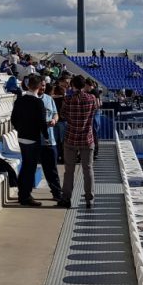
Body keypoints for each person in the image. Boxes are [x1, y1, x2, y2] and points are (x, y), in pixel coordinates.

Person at [10, 74, 50, 207]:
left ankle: (23, 194)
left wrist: (21, 128)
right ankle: (25, 196)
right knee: (30, 167)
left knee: (25, 166)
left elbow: (13, 119)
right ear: (38, 86)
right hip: (33, 138)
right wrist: (46, 136)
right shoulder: (38, 102)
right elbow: (42, 122)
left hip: (21, 137)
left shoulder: (19, 100)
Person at [60, 77, 100, 209]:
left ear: (72, 85)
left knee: (69, 171)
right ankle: (90, 200)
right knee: (88, 170)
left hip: (71, 138)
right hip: (87, 139)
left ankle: (66, 198)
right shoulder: (91, 99)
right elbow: (94, 111)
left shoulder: (67, 99)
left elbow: (63, 115)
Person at [36, 79, 64, 205]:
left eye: (44, 85)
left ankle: (57, 193)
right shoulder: (30, 100)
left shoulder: (49, 99)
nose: (43, 87)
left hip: (50, 140)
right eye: (41, 85)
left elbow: (56, 114)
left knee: (52, 168)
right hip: (36, 140)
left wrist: (54, 120)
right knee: (35, 168)